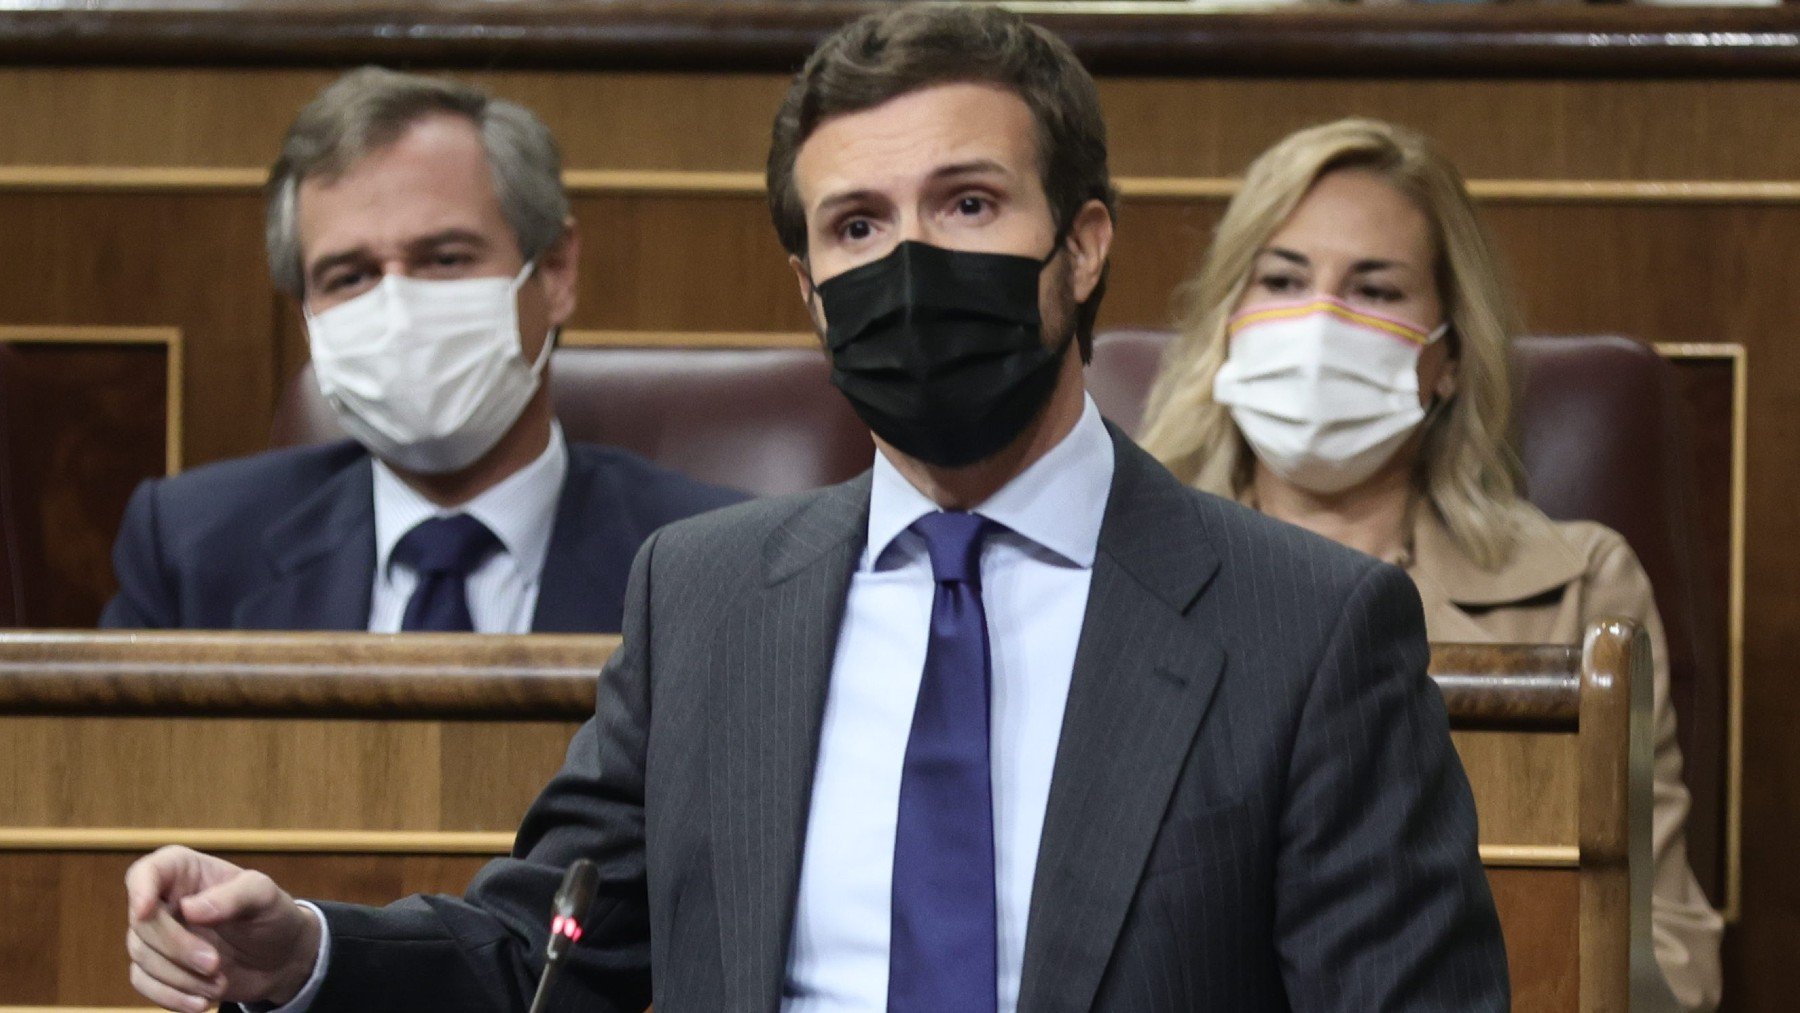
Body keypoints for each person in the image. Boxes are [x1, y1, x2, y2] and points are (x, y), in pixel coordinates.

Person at [123, 10, 1507, 1011]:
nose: (907, 262)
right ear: (807, 288)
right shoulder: (711, 598)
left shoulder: (1308, 626)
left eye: (966, 204)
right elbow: (550, 951)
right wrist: (304, 951)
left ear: (1082, 244)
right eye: (854, 226)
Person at [1138, 117, 1724, 1011]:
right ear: (1229, 318)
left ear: (1447, 356)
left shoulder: (1578, 588)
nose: (1321, 324)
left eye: (1375, 290)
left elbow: (1661, 942)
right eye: (1284, 280)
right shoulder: (1118, 567)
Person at [99, 68, 743, 635]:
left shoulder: (717, 565)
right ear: (306, 319)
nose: (397, 310)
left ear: (554, 273)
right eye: (350, 276)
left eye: (444, 259)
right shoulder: (190, 551)